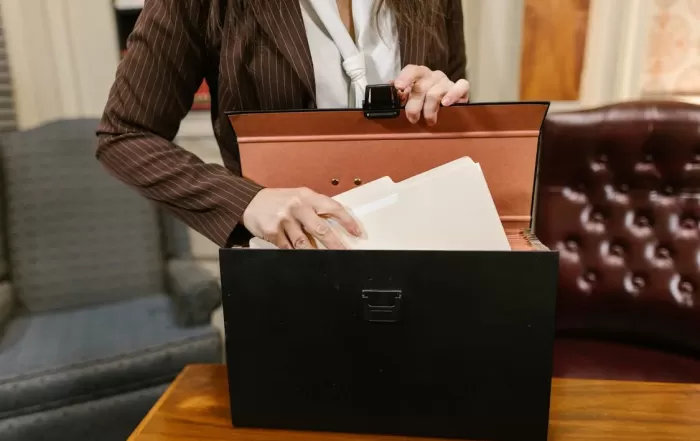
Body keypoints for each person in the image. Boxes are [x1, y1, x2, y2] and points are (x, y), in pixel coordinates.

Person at [97, 0, 469, 250]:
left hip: (423, 253)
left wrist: (445, 100)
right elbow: (125, 134)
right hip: (287, 267)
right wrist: (247, 201)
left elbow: (451, 105)